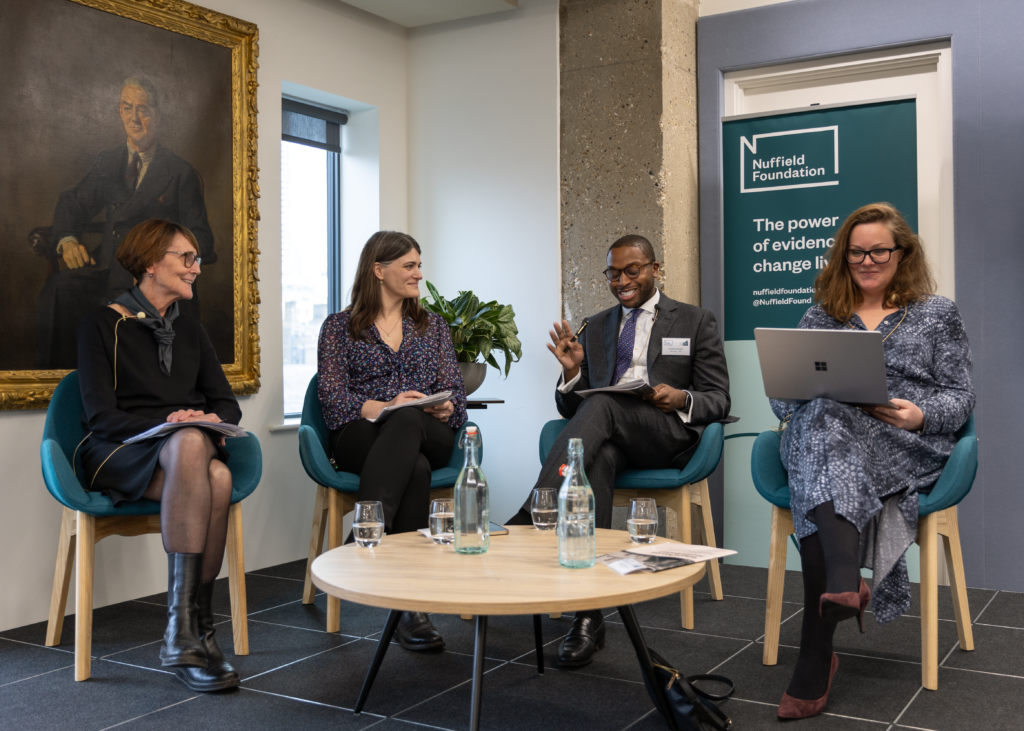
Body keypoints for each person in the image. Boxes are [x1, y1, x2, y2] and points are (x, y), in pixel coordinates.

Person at [771, 203, 974, 720]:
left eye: (878, 250)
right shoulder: (822, 314)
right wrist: (811, 399)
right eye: (856, 252)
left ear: (901, 253)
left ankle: (819, 650)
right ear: (843, 257)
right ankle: (842, 583)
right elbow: (783, 398)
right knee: (820, 415)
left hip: (903, 441)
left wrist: (920, 414)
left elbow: (961, 397)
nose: (867, 261)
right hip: (832, 439)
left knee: (818, 442)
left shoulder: (936, 313)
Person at [506, 234, 732, 668]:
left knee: (605, 406)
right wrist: (571, 373)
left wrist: (681, 398)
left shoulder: (694, 320)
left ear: (654, 268)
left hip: (665, 435)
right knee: (599, 457)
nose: (622, 280)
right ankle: (588, 615)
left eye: (633, 270)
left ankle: (537, 510)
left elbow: (720, 398)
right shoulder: (598, 324)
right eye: (613, 272)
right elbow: (574, 407)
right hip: (614, 438)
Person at [77, 218, 240, 693]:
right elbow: (99, 417)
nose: (196, 268)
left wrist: (200, 419)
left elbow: (225, 403)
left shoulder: (190, 330)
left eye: (197, 259)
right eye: (186, 258)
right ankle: (186, 633)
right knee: (193, 447)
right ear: (151, 262)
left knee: (217, 474)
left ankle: (194, 633)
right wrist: (172, 426)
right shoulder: (101, 324)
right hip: (119, 451)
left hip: (179, 453)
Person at [317, 230, 468, 652]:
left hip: (427, 431)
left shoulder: (432, 326)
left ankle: (367, 530)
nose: (419, 273)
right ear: (378, 270)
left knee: (408, 424)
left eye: (419, 264)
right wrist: (386, 405)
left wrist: (444, 408)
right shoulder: (339, 328)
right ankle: (409, 610)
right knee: (414, 466)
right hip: (360, 435)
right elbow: (332, 399)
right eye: (409, 265)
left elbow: (456, 394)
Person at [37, 75, 215, 369]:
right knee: (58, 290)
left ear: (156, 116)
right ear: (120, 112)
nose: (134, 118)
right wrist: (67, 239)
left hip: (150, 279)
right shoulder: (108, 162)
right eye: (127, 107)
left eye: (143, 109)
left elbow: (202, 240)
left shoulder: (179, 172)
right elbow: (73, 202)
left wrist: (163, 259)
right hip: (104, 270)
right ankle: (57, 386)